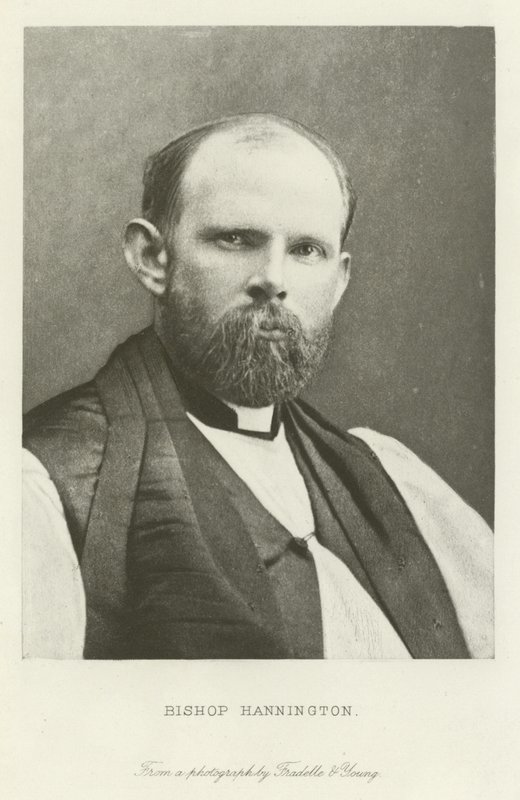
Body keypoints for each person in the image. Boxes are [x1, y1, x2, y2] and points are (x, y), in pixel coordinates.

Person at [22, 113, 493, 660]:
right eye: (236, 239)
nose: (274, 278)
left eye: (306, 250)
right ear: (152, 258)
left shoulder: (387, 478)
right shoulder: (45, 486)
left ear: (339, 281)